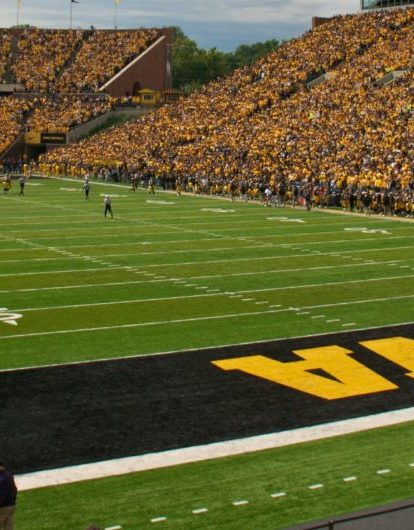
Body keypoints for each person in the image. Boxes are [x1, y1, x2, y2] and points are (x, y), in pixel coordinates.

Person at [0, 462, 17, 530]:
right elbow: (15, 489)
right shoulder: (9, 475)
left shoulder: (1, 478)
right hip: (11, 505)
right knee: (9, 527)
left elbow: (1, 494)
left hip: (2, 507)